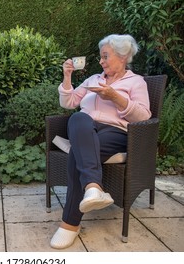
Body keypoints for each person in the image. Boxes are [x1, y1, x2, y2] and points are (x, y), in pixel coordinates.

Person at [50, 34, 151, 249]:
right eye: (100, 57)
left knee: (78, 152)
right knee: (78, 117)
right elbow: (68, 103)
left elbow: (144, 116)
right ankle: (93, 187)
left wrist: (114, 96)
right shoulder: (93, 80)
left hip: (115, 133)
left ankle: (70, 224)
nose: (101, 61)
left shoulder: (136, 82)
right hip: (85, 129)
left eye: (105, 56)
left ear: (123, 57)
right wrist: (67, 76)